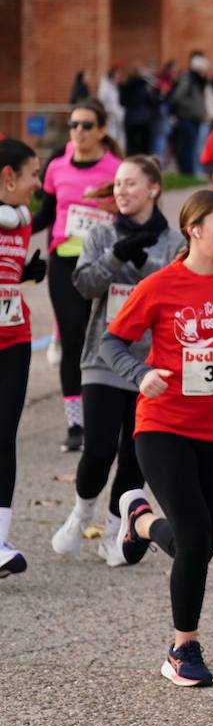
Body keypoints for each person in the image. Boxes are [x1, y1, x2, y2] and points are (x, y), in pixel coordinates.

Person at [100, 189, 213, 686]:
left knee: (203, 545)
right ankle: (183, 649)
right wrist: (138, 373)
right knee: (195, 536)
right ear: (195, 229)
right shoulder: (160, 286)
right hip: (162, 423)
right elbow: (113, 341)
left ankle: (140, 520)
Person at [53, 156, 181, 564]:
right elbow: (85, 285)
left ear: (154, 189)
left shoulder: (175, 242)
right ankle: (81, 513)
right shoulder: (99, 234)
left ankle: (115, 529)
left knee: (135, 453)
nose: (122, 192)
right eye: (118, 185)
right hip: (103, 354)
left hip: (151, 363)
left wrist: (143, 265)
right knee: (99, 448)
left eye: (131, 184)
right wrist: (115, 256)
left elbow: (175, 295)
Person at [34, 99, 123, 453]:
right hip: (66, 264)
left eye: (87, 125)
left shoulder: (116, 168)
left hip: (106, 265)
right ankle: (75, 422)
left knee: (105, 342)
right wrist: (14, 226)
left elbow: (131, 213)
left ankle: (104, 419)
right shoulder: (56, 168)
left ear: (102, 130)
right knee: (72, 341)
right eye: (74, 125)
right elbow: (45, 215)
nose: (79, 132)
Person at [0, 138, 44, 577]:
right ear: (8, 176)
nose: (38, 183)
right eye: (32, 174)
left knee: (4, 436)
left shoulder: (21, 223)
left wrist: (24, 276)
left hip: (14, 338)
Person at [168, 51, 210, 175]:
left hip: (195, 118)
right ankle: (188, 172)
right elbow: (178, 97)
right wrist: (190, 108)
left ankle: (191, 171)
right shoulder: (188, 78)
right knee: (188, 147)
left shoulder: (198, 80)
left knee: (193, 146)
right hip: (186, 117)